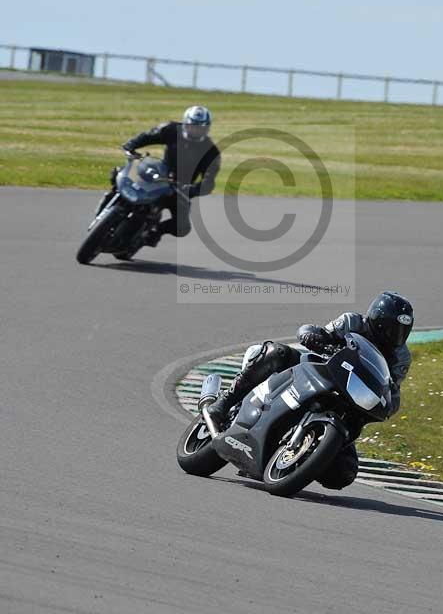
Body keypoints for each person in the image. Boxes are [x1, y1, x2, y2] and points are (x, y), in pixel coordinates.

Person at [208, 291, 414, 490]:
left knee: (345, 472)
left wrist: (390, 403)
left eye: (401, 330)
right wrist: (316, 338)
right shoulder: (352, 322)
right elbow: (315, 332)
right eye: (390, 327)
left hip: (350, 400)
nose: (395, 335)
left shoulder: (401, 356)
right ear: (377, 319)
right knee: (277, 353)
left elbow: (391, 387)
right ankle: (224, 402)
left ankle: (302, 457)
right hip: (320, 372)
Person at [100, 105, 220, 245]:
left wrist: (192, 189)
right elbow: (148, 136)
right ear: (185, 123)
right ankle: (106, 207)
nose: (196, 130)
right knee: (119, 174)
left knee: (182, 227)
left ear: (207, 128)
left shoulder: (211, 151)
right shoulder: (171, 129)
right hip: (159, 173)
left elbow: (209, 181)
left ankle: (155, 231)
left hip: (179, 187)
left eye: (201, 127)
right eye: (193, 126)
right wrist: (130, 146)